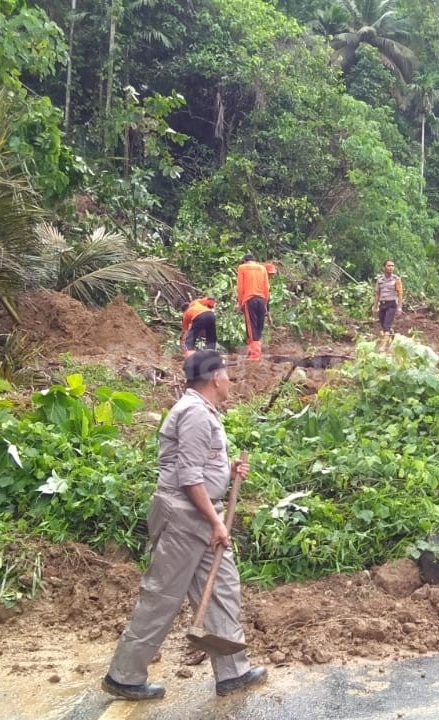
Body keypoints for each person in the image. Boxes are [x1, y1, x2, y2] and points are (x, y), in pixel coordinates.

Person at [103, 349, 267, 700]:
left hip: (202, 517)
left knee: (223, 589)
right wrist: (216, 522)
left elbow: (200, 468)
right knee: (162, 596)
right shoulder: (194, 413)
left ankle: (233, 672)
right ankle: (124, 677)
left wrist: (227, 472)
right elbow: (189, 478)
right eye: (226, 372)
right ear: (214, 378)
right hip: (185, 519)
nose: (229, 379)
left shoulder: (202, 411)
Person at [235, 254, 271, 361]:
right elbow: (267, 288)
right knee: (259, 327)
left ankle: (255, 356)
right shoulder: (262, 268)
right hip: (261, 299)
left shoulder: (242, 268)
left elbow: (240, 287)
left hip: (249, 299)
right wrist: (265, 303)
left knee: (251, 327)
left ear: (245, 261)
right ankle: (253, 352)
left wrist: (240, 302)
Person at [371, 260, 404, 338]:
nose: (391, 268)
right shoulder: (379, 280)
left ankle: (384, 346)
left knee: (387, 325)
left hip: (391, 304)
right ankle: (390, 335)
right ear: (384, 267)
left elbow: (400, 294)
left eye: (392, 266)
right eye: (389, 266)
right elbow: (377, 294)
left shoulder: (396, 279)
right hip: (382, 304)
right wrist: (375, 307)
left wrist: (399, 308)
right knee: (383, 324)